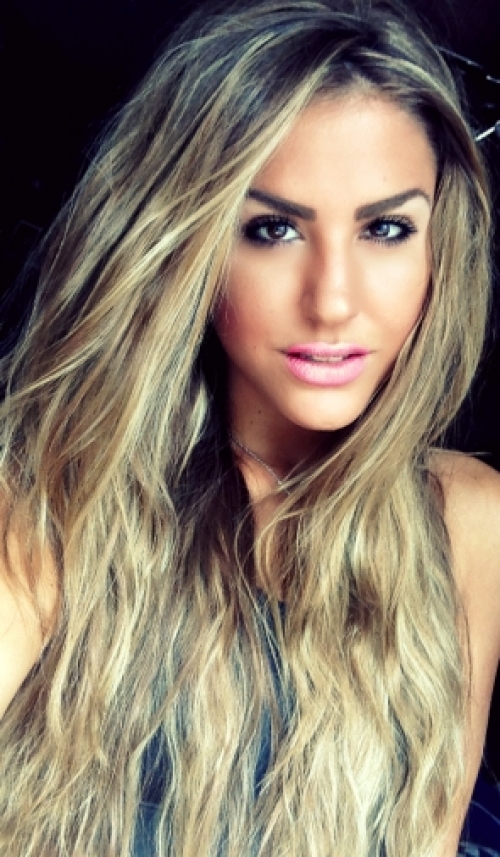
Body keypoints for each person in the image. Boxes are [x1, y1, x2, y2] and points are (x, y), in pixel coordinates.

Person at [0, 0, 499, 855]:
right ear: (185, 245)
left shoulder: (469, 517)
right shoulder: (49, 498)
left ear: (437, 248)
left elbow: (430, 833)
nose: (333, 299)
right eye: (272, 229)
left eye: (386, 229)